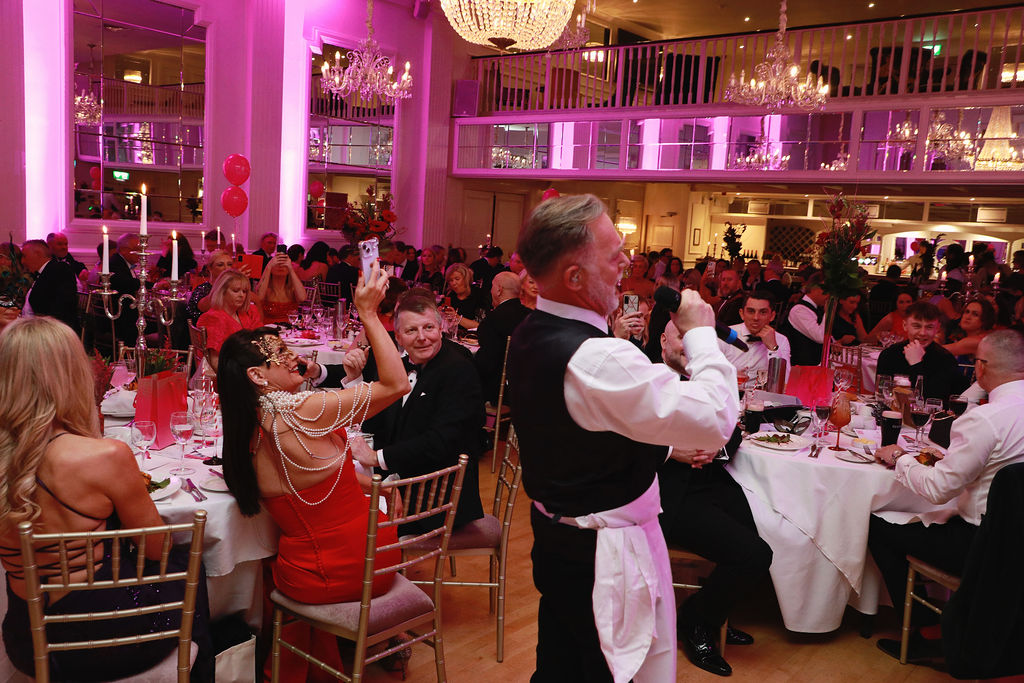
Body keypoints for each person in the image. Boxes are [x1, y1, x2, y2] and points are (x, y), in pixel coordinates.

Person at [507, 194, 739, 682]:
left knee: (561, 662)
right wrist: (700, 334)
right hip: (601, 554)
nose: (627, 263)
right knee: (605, 669)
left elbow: (580, 431)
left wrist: (660, 443)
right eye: (615, 254)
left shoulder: (533, 329)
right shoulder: (596, 358)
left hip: (561, 537)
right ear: (573, 277)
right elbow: (717, 418)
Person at [216, 263, 410, 682]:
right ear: (256, 375)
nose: (295, 357)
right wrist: (370, 315)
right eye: (279, 355)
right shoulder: (304, 412)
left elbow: (318, 484)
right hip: (367, 563)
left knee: (272, 564)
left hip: (313, 573)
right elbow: (397, 384)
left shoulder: (241, 432)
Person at [0, 317, 213, 680]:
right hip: (103, 638)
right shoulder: (104, 456)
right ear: (71, 375)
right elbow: (156, 551)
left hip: (26, 638)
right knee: (190, 564)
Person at [868, 330, 1024, 663]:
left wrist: (901, 458)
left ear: (980, 368)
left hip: (983, 545)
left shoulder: (985, 419)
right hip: (1016, 540)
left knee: (876, 526)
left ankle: (922, 634)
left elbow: (939, 490)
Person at [656, 319, 772, 676]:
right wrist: (672, 449)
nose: (687, 346)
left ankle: (716, 612)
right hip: (667, 496)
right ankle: (696, 620)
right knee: (754, 554)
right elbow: (624, 439)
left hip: (710, 484)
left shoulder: (707, 377)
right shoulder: (647, 378)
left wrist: (714, 449)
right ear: (663, 339)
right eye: (680, 337)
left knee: (763, 534)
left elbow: (731, 431)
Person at [331, 290, 486, 533]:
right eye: (412, 331)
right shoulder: (402, 367)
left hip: (436, 498)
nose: (422, 337)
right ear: (399, 338)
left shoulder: (459, 371)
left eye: (429, 328)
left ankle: (381, 567)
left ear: (441, 328)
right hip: (402, 481)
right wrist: (354, 380)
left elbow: (440, 442)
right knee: (335, 503)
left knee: (342, 520)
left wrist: (377, 458)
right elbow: (379, 422)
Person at [875, 301, 966, 402]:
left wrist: (916, 364)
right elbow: (882, 396)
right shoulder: (889, 355)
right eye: (917, 326)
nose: (923, 333)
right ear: (905, 325)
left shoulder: (945, 359)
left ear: (937, 328)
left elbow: (933, 401)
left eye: (929, 327)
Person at [475, 271, 530, 404]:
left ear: (499, 290)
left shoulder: (493, 320)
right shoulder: (531, 316)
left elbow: (486, 364)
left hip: (500, 392)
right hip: (527, 388)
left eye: (492, 286)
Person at [197, 269, 263, 370]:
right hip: (228, 374)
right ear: (222, 292)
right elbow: (215, 362)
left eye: (244, 291)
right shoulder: (213, 318)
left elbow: (262, 339)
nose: (241, 295)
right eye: (236, 291)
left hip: (253, 366)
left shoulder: (250, 311)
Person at [720, 290, 791, 378]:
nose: (756, 318)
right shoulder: (725, 334)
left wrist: (773, 349)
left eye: (763, 312)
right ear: (742, 314)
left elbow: (785, 380)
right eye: (751, 311)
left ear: (772, 316)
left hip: (762, 391)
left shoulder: (781, 340)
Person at [19, 239, 79, 333]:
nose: (22, 261)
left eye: (24, 256)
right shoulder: (41, 273)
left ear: (37, 254)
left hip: (50, 333)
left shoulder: (60, 270)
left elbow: (62, 309)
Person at [778, 273, 829, 365]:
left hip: (814, 365)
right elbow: (821, 337)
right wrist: (828, 312)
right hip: (801, 367)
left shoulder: (815, 308)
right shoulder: (799, 310)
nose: (829, 295)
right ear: (814, 289)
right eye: (826, 291)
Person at [186, 249, 237, 324]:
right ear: (210, 268)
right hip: (207, 331)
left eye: (229, 264)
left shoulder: (234, 289)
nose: (226, 268)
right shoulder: (202, 290)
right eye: (220, 265)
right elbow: (209, 308)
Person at [255, 251, 307, 324]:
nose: (280, 266)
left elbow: (302, 298)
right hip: (268, 330)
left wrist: (291, 269)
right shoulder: (266, 288)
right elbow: (259, 297)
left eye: (284, 264)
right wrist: (269, 266)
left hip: (289, 331)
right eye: (277, 263)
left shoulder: (291, 289)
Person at [444, 262, 488, 329]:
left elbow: (481, 325)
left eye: (457, 279)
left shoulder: (479, 295)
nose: (453, 283)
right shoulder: (451, 295)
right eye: (451, 280)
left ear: (466, 279)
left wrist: (457, 318)